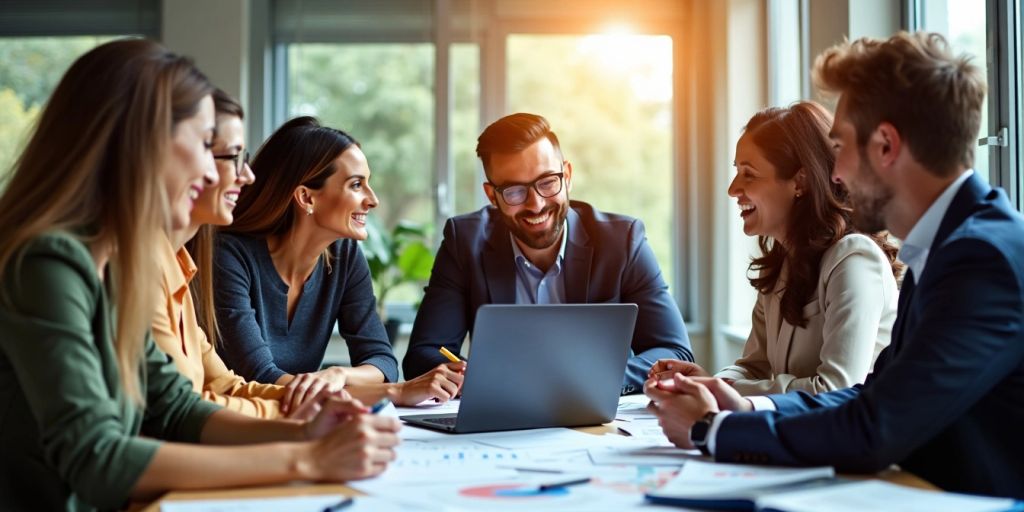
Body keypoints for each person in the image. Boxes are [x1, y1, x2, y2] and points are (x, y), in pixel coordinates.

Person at [0, 40, 399, 511]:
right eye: (206, 145)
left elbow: (177, 408)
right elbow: (97, 458)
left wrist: (305, 429)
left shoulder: (109, 262)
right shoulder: (49, 263)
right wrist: (307, 458)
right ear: (142, 144)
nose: (218, 172)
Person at [644, 32, 1024, 499]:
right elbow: (872, 396)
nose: (835, 173)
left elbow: (875, 428)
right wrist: (740, 408)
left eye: (839, 147)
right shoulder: (946, 247)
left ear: (885, 145)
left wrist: (711, 431)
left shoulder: (981, 259)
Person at [403, 112, 693, 395]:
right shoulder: (464, 241)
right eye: (515, 191)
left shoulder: (622, 240)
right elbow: (423, 355)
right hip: (499, 422)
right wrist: (481, 379)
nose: (536, 204)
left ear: (566, 176)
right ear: (492, 195)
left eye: (547, 182)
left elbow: (674, 351)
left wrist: (586, 380)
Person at [648, 101, 900, 396]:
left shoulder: (853, 259)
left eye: (749, 174)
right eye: (736, 171)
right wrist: (703, 382)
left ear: (800, 181)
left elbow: (836, 389)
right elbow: (753, 367)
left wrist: (721, 389)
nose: (732, 189)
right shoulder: (783, 263)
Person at [213, 116, 465, 407]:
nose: (372, 200)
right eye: (356, 185)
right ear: (306, 197)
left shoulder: (344, 254)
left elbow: (382, 361)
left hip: (299, 420)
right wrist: (395, 392)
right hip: (238, 424)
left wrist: (337, 374)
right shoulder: (228, 256)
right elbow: (262, 378)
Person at [152, 89, 323, 419]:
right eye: (231, 157)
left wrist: (320, 402)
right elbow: (180, 410)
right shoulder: (145, 268)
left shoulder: (178, 266)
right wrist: (301, 417)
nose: (247, 176)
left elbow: (224, 386)